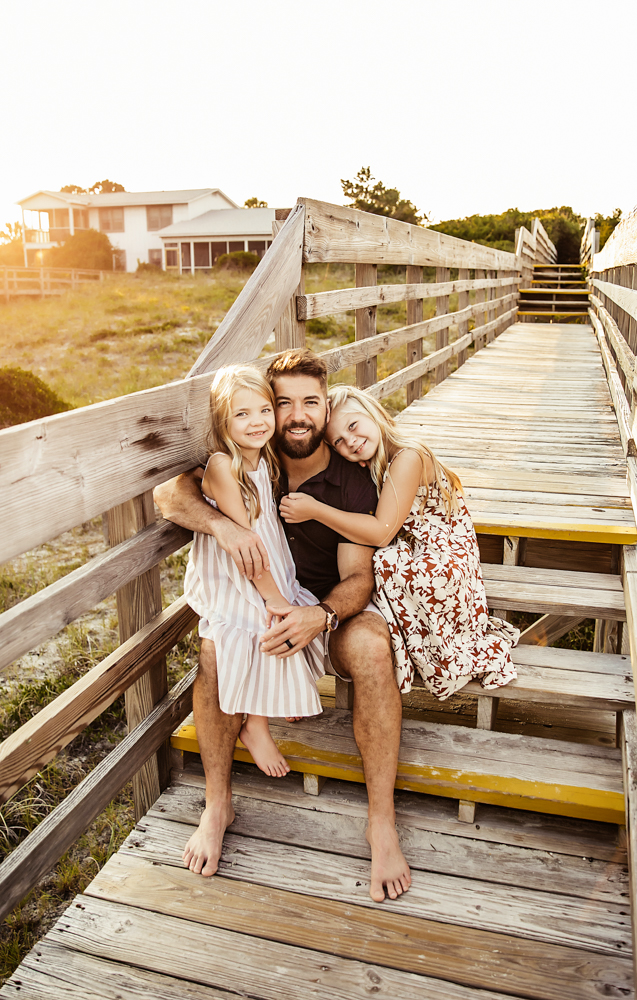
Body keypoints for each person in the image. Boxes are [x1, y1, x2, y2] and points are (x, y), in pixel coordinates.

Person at [154, 349, 411, 903]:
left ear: (326, 406)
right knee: (214, 649)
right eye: (283, 402)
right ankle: (217, 803)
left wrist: (318, 616)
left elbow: (358, 579)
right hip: (257, 603)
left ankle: (381, 821)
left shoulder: (350, 482)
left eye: (310, 403)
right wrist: (224, 528)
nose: (295, 415)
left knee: (371, 646)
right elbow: (168, 493)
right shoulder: (252, 448)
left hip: (322, 612)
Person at [280, 384, 519, 699]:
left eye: (353, 426)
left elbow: (381, 532)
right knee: (380, 565)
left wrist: (316, 510)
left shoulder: (408, 457)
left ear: (374, 413)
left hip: (444, 551)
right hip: (418, 544)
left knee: (385, 563)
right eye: (338, 441)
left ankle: (433, 648)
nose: (350, 441)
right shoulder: (379, 461)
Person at [183, 365, 325, 780]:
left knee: (295, 611)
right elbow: (246, 544)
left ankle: (276, 700)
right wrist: (273, 596)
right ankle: (255, 726)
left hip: (268, 561)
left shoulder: (263, 457)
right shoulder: (224, 467)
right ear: (223, 421)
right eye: (242, 415)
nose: (258, 422)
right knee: (266, 623)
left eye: (264, 410)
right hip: (238, 572)